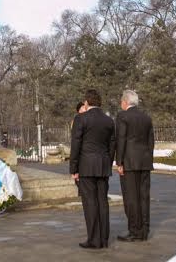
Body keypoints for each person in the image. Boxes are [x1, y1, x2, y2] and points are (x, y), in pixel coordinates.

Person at [69, 89, 115, 250]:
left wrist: (73, 168)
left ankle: (94, 239)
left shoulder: (81, 118)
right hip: (103, 165)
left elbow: (76, 145)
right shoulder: (109, 121)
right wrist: (107, 163)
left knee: (90, 202)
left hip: (86, 166)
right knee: (102, 201)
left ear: (87, 102)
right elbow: (112, 145)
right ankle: (104, 239)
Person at [115, 89, 155, 242]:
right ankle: (144, 230)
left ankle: (134, 230)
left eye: (121, 101)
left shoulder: (122, 116)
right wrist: (148, 158)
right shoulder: (146, 117)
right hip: (144, 162)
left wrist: (119, 162)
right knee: (144, 197)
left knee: (131, 198)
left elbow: (121, 139)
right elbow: (151, 141)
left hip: (129, 163)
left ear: (125, 102)